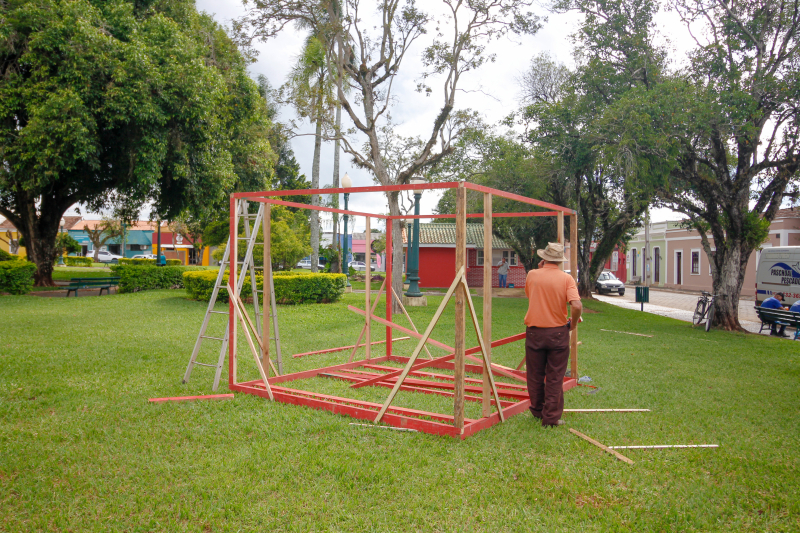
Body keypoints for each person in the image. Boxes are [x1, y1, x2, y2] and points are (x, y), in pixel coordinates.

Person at [523, 242, 582, 427]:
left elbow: (530, 295)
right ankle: (551, 418)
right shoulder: (567, 279)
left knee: (534, 374)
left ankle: (537, 410)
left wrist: (540, 270)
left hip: (534, 332)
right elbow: (577, 305)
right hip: (558, 332)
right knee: (555, 376)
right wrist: (572, 323)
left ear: (544, 258)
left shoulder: (532, 275)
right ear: (559, 261)